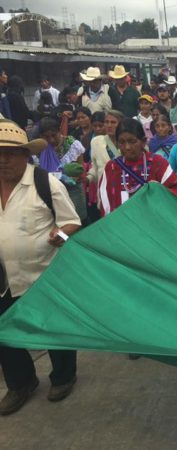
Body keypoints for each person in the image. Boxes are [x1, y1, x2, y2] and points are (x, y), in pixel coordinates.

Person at [0, 120, 81, 416]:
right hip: (4, 278)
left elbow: (71, 221)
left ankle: (63, 376)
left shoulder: (45, 183)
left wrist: (58, 236)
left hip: (43, 273)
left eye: (10, 154)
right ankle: (20, 383)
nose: (3, 160)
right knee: (5, 332)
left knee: (54, 329)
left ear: (25, 155)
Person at [98, 118, 177, 215]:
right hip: (122, 226)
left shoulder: (158, 163)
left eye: (132, 141)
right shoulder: (112, 167)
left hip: (153, 224)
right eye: (122, 142)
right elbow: (105, 203)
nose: (127, 147)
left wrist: (159, 190)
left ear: (143, 141)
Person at [36, 117, 87, 223]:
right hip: (52, 195)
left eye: (54, 135)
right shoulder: (39, 150)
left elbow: (81, 170)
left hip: (73, 192)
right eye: (46, 137)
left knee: (77, 222)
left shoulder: (72, 144)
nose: (51, 140)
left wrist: (64, 179)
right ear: (41, 136)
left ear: (59, 131)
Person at [87, 109, 124, 184]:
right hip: (104, 189)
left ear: (121, 124)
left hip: (124, 186)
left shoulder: (128, 143)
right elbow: (95, 168)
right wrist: (87, 178)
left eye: (113, 122)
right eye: (106, 122)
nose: (109, 125)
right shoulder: (96, 142)